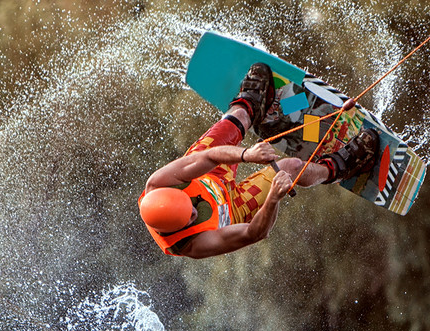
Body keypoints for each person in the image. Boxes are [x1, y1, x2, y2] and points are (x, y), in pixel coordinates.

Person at [139, 63, 380, 258]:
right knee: (291, 168)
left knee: (237, 120)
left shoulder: (160, 182)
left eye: (189, 204)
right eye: (191, 216)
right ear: (175, 228)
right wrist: (274, 197)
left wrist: (247, 155)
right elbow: (254, 233)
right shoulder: (194, 245)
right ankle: (340, 167)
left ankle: (253, 106)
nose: (195, 211)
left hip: (209, 175)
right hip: (234, 208)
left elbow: (209, 156)